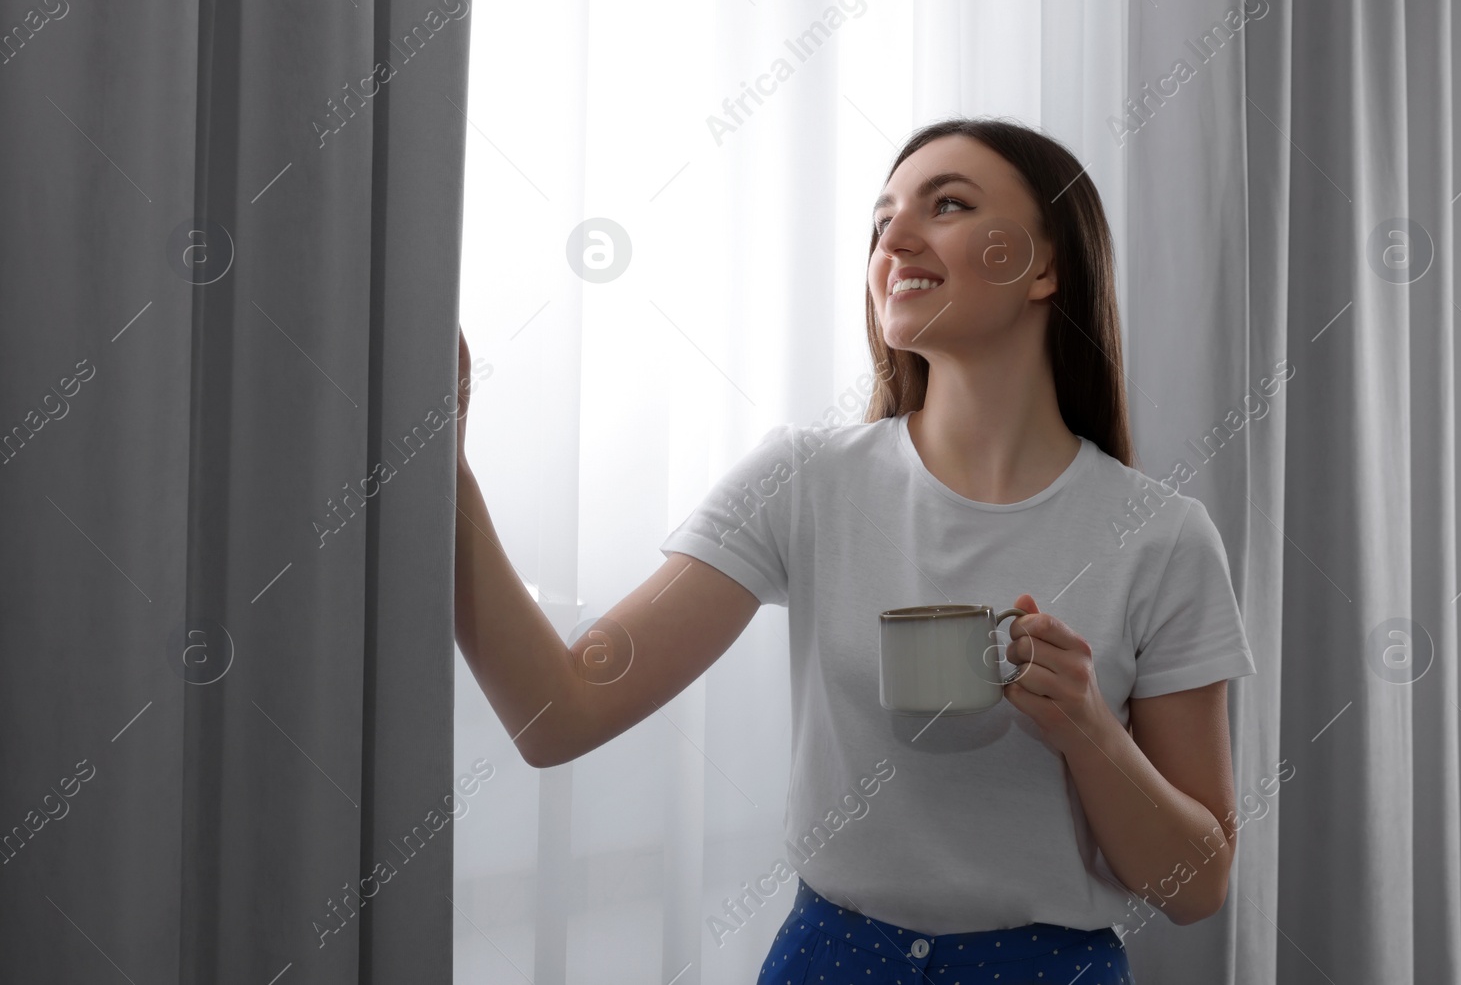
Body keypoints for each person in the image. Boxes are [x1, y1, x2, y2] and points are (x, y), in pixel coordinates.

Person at [453, 116, 1257, 985]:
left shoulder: (1163, 537)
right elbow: (556, 712)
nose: (894, 238)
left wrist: (1089, 730)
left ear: (1046, 266)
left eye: (946, 204)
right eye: (881, 221)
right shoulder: (804, 481)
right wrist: (445, 469)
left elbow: (1197, 884)